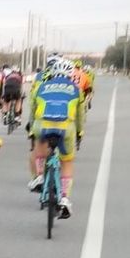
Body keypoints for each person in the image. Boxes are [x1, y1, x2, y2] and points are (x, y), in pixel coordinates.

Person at [27, 58, 85, 219]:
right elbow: (80, 115)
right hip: (66, 128)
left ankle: (39, 176)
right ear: (70, 74)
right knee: (66, 162)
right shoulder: (76, 89)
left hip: (43, 126)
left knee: (39, 149)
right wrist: (79, 132)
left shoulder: (41, 86)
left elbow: (33, 110)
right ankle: (65, 198)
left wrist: (31, 130)